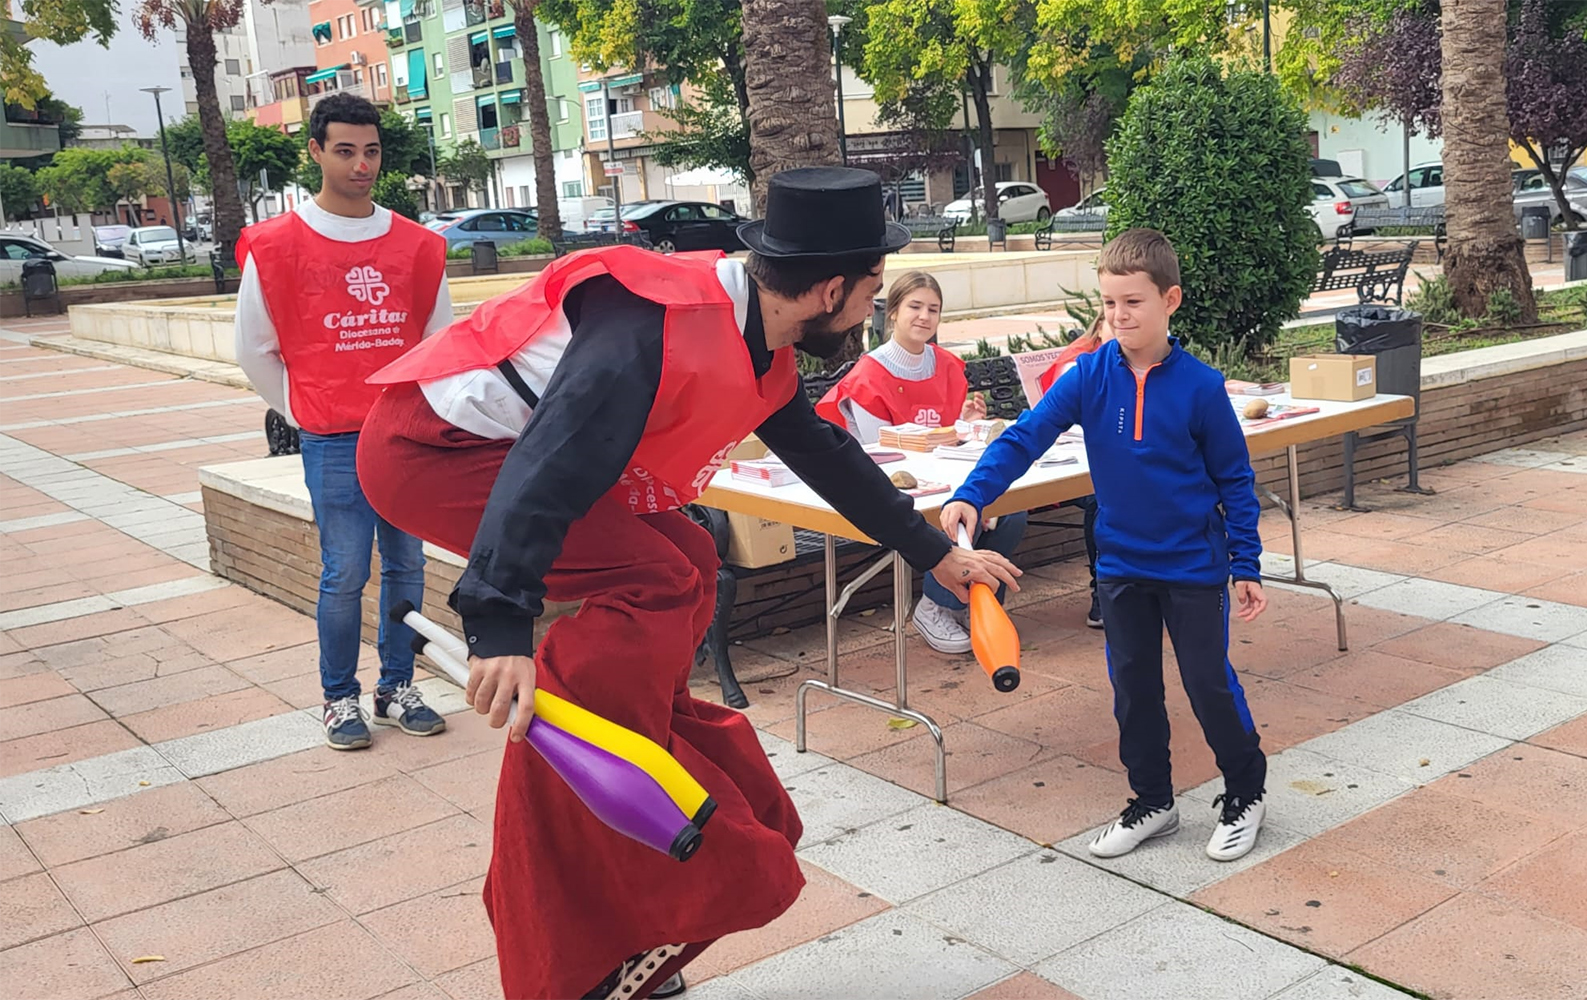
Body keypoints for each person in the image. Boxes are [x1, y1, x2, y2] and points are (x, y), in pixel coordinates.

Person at [353, 167, 1021, 1000]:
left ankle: (642, 741)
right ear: (827, 289)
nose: (873, 310)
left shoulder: (755, 335)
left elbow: (825, 456)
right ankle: (604, 766)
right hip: (432, 454)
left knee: (691, 558)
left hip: (507, 461)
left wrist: (933, 553)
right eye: (871, 291)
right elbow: (550, 465)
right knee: (661, 575)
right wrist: (500, 632)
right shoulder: (649, 327)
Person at [941, 228, 1270, 863]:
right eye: (1109, 302)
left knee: (1207, 683)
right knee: (1132, 687)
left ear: (1170, 300)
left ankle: (1245, 792)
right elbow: (1024, 437)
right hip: (1120, 564)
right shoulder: (1088, 375)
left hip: (1193, 567)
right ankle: (1153, 800)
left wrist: (1245, 561)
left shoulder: (1201, 387)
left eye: (1133, 302)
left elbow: (1236, 480)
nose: (1118, 316)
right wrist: (974, 493)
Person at [234, 93, 454, 750]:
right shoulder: (275, 248)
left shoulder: (418, 246)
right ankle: (338, 697)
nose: (362, 164)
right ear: (316, 152)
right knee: (345, 571)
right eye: (346, 150)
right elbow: (254, 350)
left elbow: (440, 343)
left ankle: (396, 685)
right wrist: (306, 412)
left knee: (408, 565)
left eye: (372, 150)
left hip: (408, 437)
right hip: (332, 441)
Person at [816, 271, 1028, 654]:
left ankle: (969, 601)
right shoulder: (869, 374)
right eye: (915, 306)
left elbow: (948, 435)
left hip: (943, 477)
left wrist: (966, 424)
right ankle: (935, 606)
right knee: (961, 515)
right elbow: (883, 452)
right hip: (887, 488)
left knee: (1012, 511)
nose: (924, 317)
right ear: (893, 312)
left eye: (934, 309)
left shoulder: (948, 366)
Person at [1037, 310, 1110, 629]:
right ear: (1100, 326)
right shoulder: (1078, 366)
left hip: (1107, 464)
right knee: (1100, 496)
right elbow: (1044, 426)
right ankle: (1103, 592)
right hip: (1065, 466)